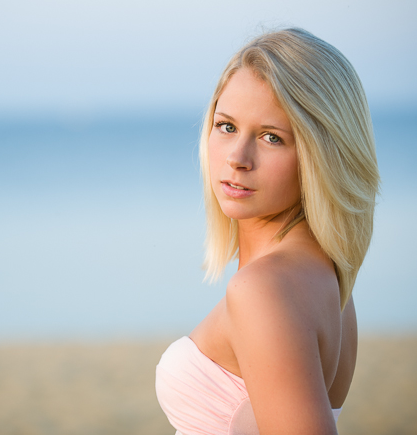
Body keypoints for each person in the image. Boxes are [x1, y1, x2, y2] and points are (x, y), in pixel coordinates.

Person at [155, 28, 379, 435]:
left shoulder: (264, 289)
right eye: (226, 127)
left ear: (321, 153)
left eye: (272, 137)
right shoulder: (329, 282)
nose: (238, 157)